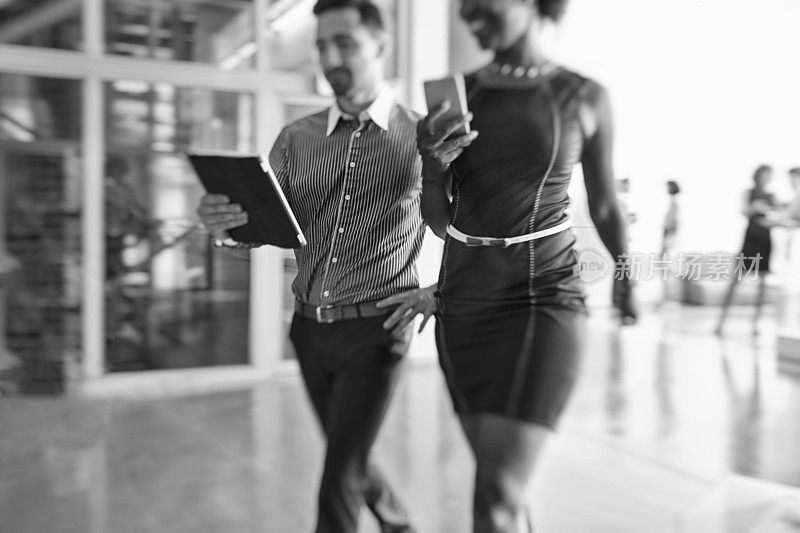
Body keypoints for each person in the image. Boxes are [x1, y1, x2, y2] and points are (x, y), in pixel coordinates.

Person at [386, 0, 637, 531]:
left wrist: (627, 278)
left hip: (545, 294)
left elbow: (607, 206)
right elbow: (440, 220)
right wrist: (432, 169)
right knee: (503, 482)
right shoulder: (458, 95)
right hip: (465, 305)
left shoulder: (580, 95)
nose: (471, 12)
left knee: (495, 494)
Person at [197, 2, 434, 531]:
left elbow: (463, 226)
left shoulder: (422, 139)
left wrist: (443, 290)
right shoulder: (294, 139)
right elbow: (259, 229)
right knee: (348, 454)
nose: (330, 57)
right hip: (307, 330)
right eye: (322, 45)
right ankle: (399, 524)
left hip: (378, 330)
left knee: (338, 478)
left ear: (380, 45)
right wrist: (225, 228)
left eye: (344, 42)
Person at [715, 164, 779, 337]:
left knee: (762, 285)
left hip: (766, 239)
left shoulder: (773, 196)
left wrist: (768, 211)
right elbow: (743, 211)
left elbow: (778, 215)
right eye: (764, 175)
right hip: (750, 239)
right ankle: (721, 322)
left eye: (769, 176)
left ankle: (755, 325)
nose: (766, 179)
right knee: (737, 279)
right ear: (757, 175)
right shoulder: (748, 193)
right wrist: (755, 207)